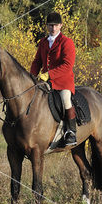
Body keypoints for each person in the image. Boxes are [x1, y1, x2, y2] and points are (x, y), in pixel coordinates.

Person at [30, 11, 77, 146]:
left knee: (65, 99)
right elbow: (37, 61)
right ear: (47, 26)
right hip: (45, 82)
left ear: (61, 25)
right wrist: (32, 76)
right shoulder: (43, 42)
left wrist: (49, 74)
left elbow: (67, 65)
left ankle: (71, 132)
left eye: (56, 25)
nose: (53, 28)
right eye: (50, 25)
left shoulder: (67, 42)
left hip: (63, 82)